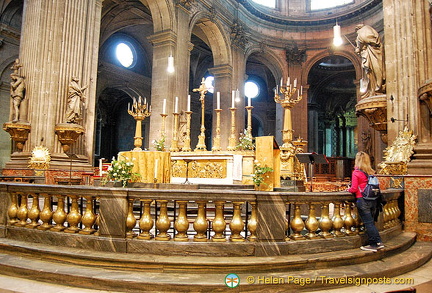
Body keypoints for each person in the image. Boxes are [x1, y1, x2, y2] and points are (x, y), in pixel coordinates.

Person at [347, 151, 384, 252]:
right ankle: (375, 242)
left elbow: (354, 189)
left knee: (368, 223)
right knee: (371, 222)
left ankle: (376, 243)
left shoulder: (356, 172)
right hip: (373, 199)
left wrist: (348, 190)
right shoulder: (370, 172)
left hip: (362, 199)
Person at [355, 24, 385, 98]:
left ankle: (376, 89)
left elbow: (361, 40)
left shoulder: (362, 32)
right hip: (374, 53)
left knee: (374, 70)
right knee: (372, 72)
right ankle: (374, 89)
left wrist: (358, 49)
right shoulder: (370, 30)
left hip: (371, 53)